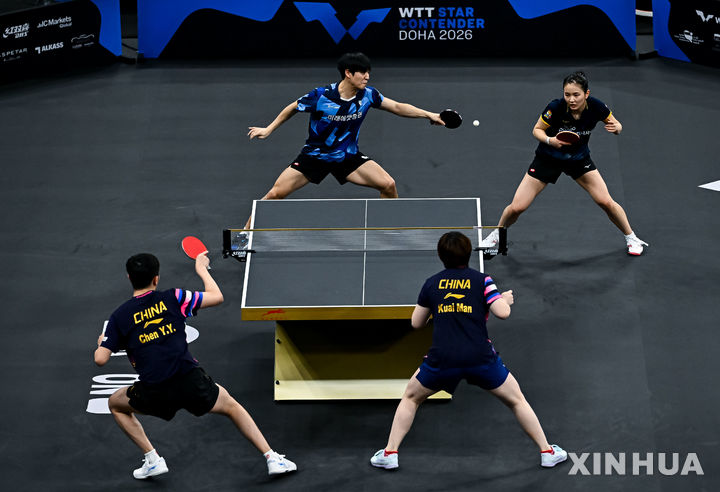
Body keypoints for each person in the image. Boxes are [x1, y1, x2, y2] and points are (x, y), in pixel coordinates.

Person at [370, 232, 567, 470]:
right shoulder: (483, 281)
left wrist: (439, 306)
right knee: (517, 400)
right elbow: (503, 313)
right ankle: (547, 452)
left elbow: (416, 323)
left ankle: (390, 453)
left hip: (442, 359)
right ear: (468, 253)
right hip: (480, 358)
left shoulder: (432, 283)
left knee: (411, 398)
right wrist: (503, 299)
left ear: (440, 256)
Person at [94, 252, 297, 480]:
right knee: (231, 406)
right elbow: (217, 296)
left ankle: (153, 459)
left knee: (115, 404)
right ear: (156, 278)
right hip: (190, 381)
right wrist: (201, 269)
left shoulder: (119, 317)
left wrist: (104, 341)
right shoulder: (174, 297)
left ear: (129, 277)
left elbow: (100, 359)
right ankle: (272, 458)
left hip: (154, 392)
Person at [245, 52, 446, 228]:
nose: (367, 76)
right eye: (362, 72)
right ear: (348, 73)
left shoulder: (368, 95)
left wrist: (430, 114)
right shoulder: (321, 96)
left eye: (368, 72)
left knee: (388, 184)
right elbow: (293, 107)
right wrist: (269, 129)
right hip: (315, 156)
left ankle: (387, 229)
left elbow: (397, 107)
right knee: (275, 194)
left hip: (347, 157)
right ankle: (243, 238)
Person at [481, 71, 648, 256]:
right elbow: (537, 130)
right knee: (517, 207)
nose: (571, 99)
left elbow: (616, 125)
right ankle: (496, 233)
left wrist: (617, 128)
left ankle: (631, 237)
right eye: (567, 94)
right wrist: (550, 140)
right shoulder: (555, 107)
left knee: (606, 201)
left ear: (586, 94)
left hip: (578, 159)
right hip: (548, 158)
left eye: (576, 95)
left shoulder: (597, 107)